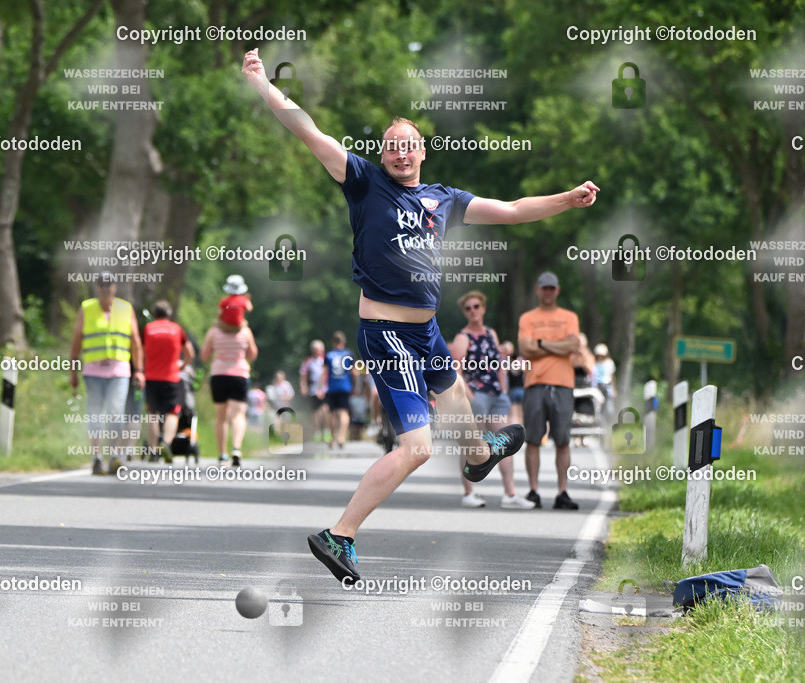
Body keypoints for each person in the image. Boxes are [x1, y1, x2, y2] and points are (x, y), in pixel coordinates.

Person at [242, 48, 598, 581]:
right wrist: (263, 86)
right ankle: (339, 535)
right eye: (392, 147)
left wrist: (568, 199)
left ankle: (479, 455)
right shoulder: (362, 181)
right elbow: (307, 128)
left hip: (427, 331)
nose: (400, 154)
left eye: (408, 146)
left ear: (423, 152)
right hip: (387, 336)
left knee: (459, 398)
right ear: (382, 154)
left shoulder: (444, 200)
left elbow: (513, 209)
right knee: (419, 448)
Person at [450, 292, 534, 510]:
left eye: (476, 306)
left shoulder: (491, 334)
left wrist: (504, 389)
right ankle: (469, 492)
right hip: (477, 395)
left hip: (496, 395)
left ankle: (510, 494)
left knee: (505, 443)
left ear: (483, 308)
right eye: (468, 308)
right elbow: (455, 369)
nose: (473, 311)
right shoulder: (463, 338)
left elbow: (499, 364)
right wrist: (470, 396)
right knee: (471, 442)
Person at [69, 272, 145, 475]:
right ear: (96, 288)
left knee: (115, 413)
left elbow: (136, 342)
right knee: (95, 414)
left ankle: (114, 456)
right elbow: (77, 340)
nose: (105, 288)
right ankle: (96, 457)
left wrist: (139, 370)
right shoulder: (86, 308)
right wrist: (73, 370)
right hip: (93, 371)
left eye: (109, 284)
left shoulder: (125, 308)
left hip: (119, 371)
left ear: (115, 287)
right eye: (101, 284)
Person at [518, 272, 581, 510]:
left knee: (562, 440)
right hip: (535, 383)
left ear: (558, 290)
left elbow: (573, 345)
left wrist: (541, 343)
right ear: (537, 289)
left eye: (551, 288)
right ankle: (534, 490)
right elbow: (525, 348)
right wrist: (557, 346)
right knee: (533, 439)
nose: (548, 292)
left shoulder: (569, 317)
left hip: (563, 384)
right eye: (544, 288)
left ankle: (562, 491)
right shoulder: (527, 318)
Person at [201, 303, 258, 467]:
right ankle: (236, 449)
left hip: (218, 375)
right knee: (238, 415)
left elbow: (205, 355)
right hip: (239, 375)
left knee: (221, 417)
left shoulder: (213, 332)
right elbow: (252, 354)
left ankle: (222, 455)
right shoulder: (245, 332)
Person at [142, 299, 195, 461]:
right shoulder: (177, 330)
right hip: (171, 377)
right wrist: (182, 366)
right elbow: (190, 354)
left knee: (153, 413)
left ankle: (153, 450)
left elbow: (141, 351)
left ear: (153, 314)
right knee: (173, 412)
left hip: (151, 377)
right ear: (169, 314)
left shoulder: (148, 329)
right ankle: (166, 442)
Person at [322, 331, 357, 449]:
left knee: (331, 414)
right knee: (344, 412)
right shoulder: (349, 354)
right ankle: (341, 437)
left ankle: (332, 437)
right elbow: (355, 372)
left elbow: (325, 372)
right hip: (345, 386)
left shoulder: (328, 355)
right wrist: (355, 385)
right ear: (343, 341)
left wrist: (321, 387)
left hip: (332, 388)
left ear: (333, 342)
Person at [299, 340, 330, 443]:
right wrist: (303, 387)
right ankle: (317, 432)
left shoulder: (326, 360)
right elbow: (303, 374)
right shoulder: (308, 361)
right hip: (314, 389)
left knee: (325, 409)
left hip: (326, 389)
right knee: (316, 411)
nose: (318, 352)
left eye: (320, 350)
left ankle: (326, 430)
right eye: (316, 350)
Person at [499, 340, 525, 428]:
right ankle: (522, 432)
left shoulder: (504, 362)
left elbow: (503, 375)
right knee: (521, 414)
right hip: (522, 390)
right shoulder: (521, 361)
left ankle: (514, 431)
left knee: (513, 414)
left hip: (512, 391)